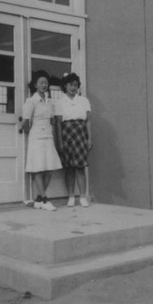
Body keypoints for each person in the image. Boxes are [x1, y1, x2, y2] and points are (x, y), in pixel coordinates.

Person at [22, 70, 62, 211]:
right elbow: (25, 122)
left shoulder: (50, 101)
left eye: (45, 83)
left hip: (48, 136)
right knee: (38, 168)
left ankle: (39, 199)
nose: (44, 85)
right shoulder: (31, 101)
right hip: (36, 137)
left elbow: (52, 120)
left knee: (50, 168)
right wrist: (28, 130)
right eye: (41, 83)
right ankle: (44, 199)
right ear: (35, 85)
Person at [55, 73, 92, 207]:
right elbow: (58, 123)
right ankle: (71, 196)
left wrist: (89, 139)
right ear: (65, 85)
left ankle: (82, 196)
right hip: (67, 134)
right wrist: (60, 142)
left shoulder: (83, 101)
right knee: (69, 167)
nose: (73, 88)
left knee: (80, 167)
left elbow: (88, 121)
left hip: (81, 134)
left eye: (76, 85)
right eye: (71, 85)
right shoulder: (59, 101)